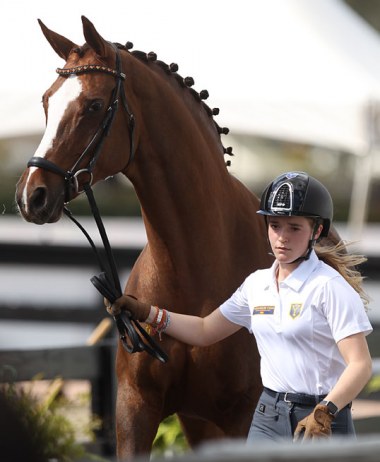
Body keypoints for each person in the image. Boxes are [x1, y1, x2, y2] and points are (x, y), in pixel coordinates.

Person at [105, 171, 373, 442]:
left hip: (321, 420)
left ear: (316, 231)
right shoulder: (256, 285)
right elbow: (204, 330)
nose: (282, 237)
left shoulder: (330, 287)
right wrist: (146, 312)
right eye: (275, 225)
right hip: (268, 417)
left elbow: (360, 364)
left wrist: (325, 411)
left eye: (294, 228)